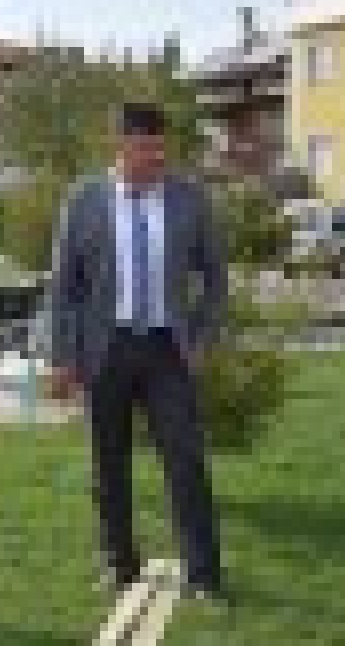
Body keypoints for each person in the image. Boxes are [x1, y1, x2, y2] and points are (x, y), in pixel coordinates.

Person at [47, 101, 228, 600]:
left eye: (160, 147)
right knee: (108, 462)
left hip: (168, 349)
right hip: (106, 348)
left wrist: (203, 337)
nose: (155, 157)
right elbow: (64, 285)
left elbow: (215, 277)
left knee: (186, 459)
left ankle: (203, 574)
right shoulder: (84, 199)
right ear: (120, 145)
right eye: (145, 148)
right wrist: (62, 357)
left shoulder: (190, 199)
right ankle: (119, 563)